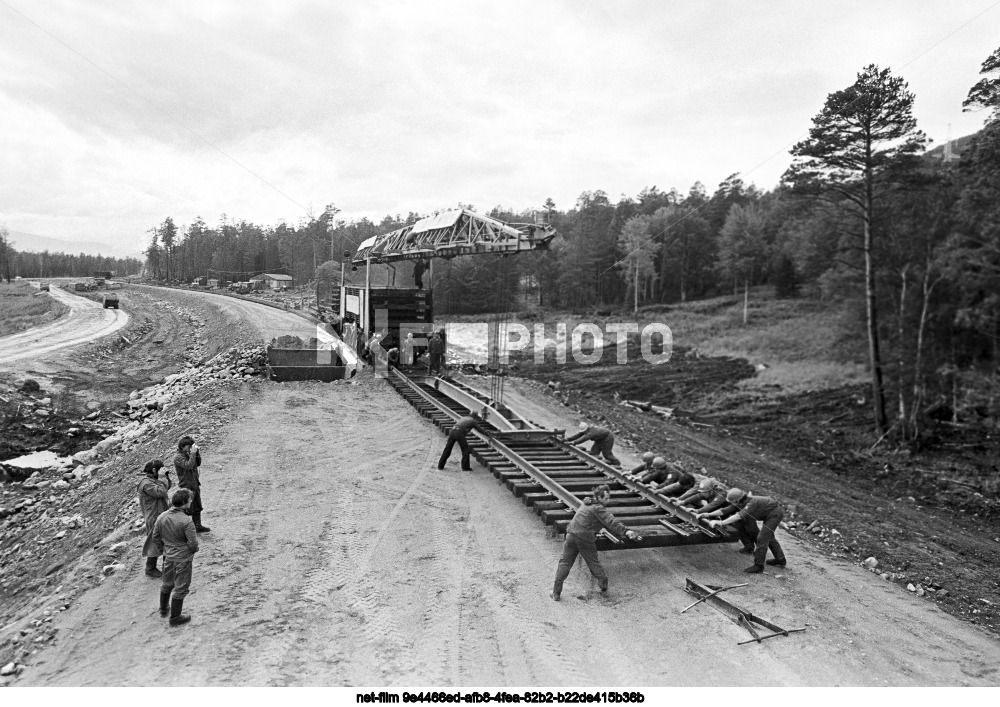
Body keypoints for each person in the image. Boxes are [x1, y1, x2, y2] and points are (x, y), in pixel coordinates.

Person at [552, 485, 641, 601]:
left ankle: (556, 593)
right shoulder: (598, 508)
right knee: (593, 563)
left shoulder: (586, 503)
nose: (608, 501)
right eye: (606, 498)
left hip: (571, 535)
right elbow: (611, 521)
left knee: (564, 563)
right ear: (599, 497)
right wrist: (626, 531)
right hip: (584, 538)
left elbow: (589, 519)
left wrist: (597, 527)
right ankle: (604, 586)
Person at [705, 488, 787, 574]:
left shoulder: (751, 503)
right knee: (768, 536)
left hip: (774, 514)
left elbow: (738, 516)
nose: (732, 503)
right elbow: (725, 510)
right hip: (768, 513)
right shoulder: (741, 502)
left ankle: (758, 566)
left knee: (762, 537)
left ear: (737, 500)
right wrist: (707, 514)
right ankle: (780, 559)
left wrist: (721, 522)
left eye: (733, 501)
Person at [152, 488, 199, 626]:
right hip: (183, 559)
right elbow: (193, 543)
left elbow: (155, 537)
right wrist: (193, 550)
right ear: (184, 503)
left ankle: (163, 609)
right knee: (181, 587)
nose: (191, 502)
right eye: (189, 500)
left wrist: (164, 550)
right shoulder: (186, 521)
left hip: (168, 557)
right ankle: (175, 617)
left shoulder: (162, 517)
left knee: (166, 583)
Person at [137, 459, 171, 578]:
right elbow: (161, 492)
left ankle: (167, 567)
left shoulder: (154, 480)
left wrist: (165, 477)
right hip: (153, 517)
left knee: (167, 541)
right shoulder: (146, 484)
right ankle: (150, 569)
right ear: (154, 470)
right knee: (154, 542)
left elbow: (166, 487)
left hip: (161, 514)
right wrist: (162, 478)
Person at [174, 435, 209, 533]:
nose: (190, 448)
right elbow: (188, 465)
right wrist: (193, 454)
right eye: (189, 446)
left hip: (194, 483)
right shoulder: (178, 457)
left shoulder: (188, 453)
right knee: (187, 508)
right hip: (186, 485)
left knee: (197, 506)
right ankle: (184, 529)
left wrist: (196, 453)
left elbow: (197, 463)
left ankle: (197, 526)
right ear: (183, 446)